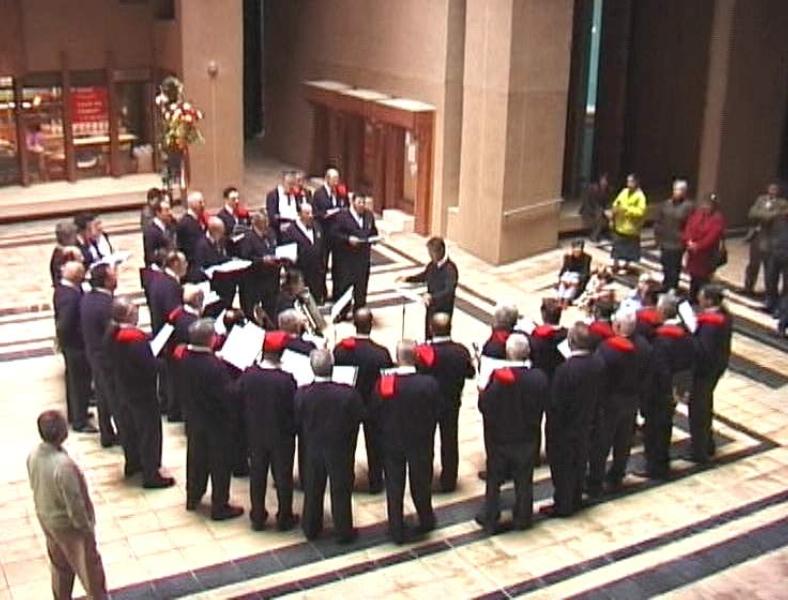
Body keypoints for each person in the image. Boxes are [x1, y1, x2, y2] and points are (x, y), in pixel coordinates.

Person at [27, 411, 107, 599]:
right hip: (69, 526)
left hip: (47, 518)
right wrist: (86, 527)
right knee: (89, 570)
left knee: (60, 566)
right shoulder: (64, 466)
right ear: (60, 431)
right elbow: (75, 502)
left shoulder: (34, 455)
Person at [370, 340, 441, 544]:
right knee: (421, 482)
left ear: (397, 358)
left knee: (394, 485)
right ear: (416, 357)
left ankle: (396, 528)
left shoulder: (385, 384)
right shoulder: (428, 383)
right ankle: (425, 518)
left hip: (392, 441)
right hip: (421, 441)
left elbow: (375, 411)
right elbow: (438, 410)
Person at [476, 334, 548, 532]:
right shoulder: (539, 377)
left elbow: (485, 405)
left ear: (508, 353)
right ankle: (524, 517)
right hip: (527, 437)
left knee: (494, 480)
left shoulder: (499, 379)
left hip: (501, 439)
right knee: (524, 480)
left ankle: (491, 517)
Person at [295, 349, 364, 543]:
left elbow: (297, 420)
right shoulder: (347, 393)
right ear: (333, 367)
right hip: (339, 449)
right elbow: (358, 416)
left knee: (312, 488)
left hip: (313, 448)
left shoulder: (302, 393)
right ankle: (343, 530)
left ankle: (311, 527)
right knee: (340, 490)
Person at [179, 319, 244, 520]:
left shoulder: (185, 357)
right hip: (216, 424)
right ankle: (220, 506)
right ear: (211, 339)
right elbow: (228, 395)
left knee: (196, 460)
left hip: (194, 418)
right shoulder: (215, 366)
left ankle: (193, 496)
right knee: (219, 464)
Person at [107, 298, 175, 489]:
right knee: (149, 433)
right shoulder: (136, 340)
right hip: (142, 393)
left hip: (123, 390)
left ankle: (133, 463)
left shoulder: (111, 334)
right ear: (128, 315)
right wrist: (164, 363)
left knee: (130, 429)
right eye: (133, 309)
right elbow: (149, 366)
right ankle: (151, 474)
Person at [236, 330, 299, 531]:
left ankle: (257, 515)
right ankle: (284, 516)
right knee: (283, 477)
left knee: (257, 474)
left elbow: (238, 397)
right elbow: (293, 408)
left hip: (255, 434)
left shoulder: (249, 375)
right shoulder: (286, 380)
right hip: (281, 436)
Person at [544, 324, 604, 517]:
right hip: (587, 423)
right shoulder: (598, 363)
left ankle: (563, 504)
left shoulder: (565, 370)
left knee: (563, 467)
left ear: (571, 342)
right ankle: (576, 497)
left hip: (565, 428)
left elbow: (556, 403)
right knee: (580, 462)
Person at [333, 308, 394, 493]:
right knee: (375, 445)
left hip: (347, 404)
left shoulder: (341, 350)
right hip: (373, 405)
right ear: (371, 325)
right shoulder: (381, 353)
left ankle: (345, 480)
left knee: (346, 445)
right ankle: (375, 481)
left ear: (354, 324)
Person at [414, 313, 475, 492]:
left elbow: (418, 373)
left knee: (426, 441)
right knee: (450, 440)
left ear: (431, 329)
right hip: (452, 402)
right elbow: (470, 373)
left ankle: (425, 478)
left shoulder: (425, 352)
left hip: (429, 404)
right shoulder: (461, 351)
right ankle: (449, 480)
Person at [587, 310, 643, 495]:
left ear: (617, 326)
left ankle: (595, 480)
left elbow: (598, 375)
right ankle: (617, 475)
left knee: (602, 443)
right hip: (632, 399)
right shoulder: (642, 347)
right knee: (624, 440)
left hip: (610, 402)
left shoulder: (606, 349)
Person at [641, 293, 695, 479]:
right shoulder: (684, 333)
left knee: (654, 429)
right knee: (665, 426)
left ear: (663, 311)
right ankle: (662, 461)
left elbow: (659, 370)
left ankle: (654, 466)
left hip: (659, 392)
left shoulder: (662, 338)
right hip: (676, 389)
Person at [688, 285, 732, 463]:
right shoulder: (723, 316)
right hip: (715, 368)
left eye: (701, 296)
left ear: (709, 300)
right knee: (705, 405)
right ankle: (707, 442)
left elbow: (703, 350)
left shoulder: (711, 324)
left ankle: (699, 450)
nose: (698, 299)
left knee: (698, 409)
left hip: (704, 372)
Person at [53, 261, 96, 433]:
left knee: (74, 382)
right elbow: (66, 324)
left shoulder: (63, 289)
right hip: (76, 346)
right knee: (80, 383)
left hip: (71, 346)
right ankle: (80, 420)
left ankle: (76, 413)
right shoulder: (70, 297)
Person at [80, 264, 118, 447]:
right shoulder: (107, 304)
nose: (116, 277)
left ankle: (107, 433)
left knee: (103, 396)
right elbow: (112, 334)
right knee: (114, 397)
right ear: (106, 280)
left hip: (93, 354)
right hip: (108, 358)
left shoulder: (87, 298)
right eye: (113, 275)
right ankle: (123, 433)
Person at [403, 237, 459, 339]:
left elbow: (449, 291)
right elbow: (425, 276)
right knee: (429, 334)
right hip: (431, 308)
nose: (430, 255)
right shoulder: (432, 265)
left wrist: (432, 297)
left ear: (440, 251)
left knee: (440, 337)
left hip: (443, 309)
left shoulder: (450, 269)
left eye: (431, 252)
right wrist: (408, 279)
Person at [332, 194, 379, 313]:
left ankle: (359, 311)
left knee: (361, 286)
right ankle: (342, 312)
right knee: (345, 287)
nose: (362, 205)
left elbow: (373, 231)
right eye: (359, 202)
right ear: (353, 202)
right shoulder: (342, 216)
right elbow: (335, 234)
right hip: (347, 259)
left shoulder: (369, 215)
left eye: (363, 202)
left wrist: (375, 238)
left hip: (363, 258)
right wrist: (348, 239)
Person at [744, 183, 788, 298]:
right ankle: (748, 287)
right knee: (753, 264)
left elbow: (778, 216)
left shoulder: (783, 203)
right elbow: (752, 213)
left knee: (769, 266)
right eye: (771, 188)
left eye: (775, 189)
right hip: (757, 234)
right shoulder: (761, 199)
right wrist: (767, 215)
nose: (772, 191)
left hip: (770, 237)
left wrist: (764, 215)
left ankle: (770, 293)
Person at [238, 210, 281, 323]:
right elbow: (246, 258)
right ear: (256, 223)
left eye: (267, 221)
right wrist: (262, 260)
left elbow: (275, 248)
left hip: (272, 279)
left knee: (272, 309)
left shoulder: (271, 233)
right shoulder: (247, 238)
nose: (267, 224)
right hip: (256, 281)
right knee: (255, 312)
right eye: (264, 222)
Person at [311, 167, 347, 299]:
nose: (336, 182)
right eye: (334, 179)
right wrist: (326, 214)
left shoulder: (340, 192)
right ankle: (321, 293)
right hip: (325, 233)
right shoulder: (319, 194)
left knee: (339, 265)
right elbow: (316, 214)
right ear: (327, 179)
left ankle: (337, 292)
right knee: (322, 265)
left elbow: (345, 207)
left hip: (337, 234)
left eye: (337, 179)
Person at [683, 193, 726, 303]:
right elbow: (689, 228)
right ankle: (692, 297)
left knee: (703, 279)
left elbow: (713, 236)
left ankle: (704, 299)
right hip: (694, 255)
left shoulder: (718, 219)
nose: (706, 206)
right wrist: (688, 241)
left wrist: (698, 246)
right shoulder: (697, 214)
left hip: (706, 255)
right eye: (705, 204)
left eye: (709, 204)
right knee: (693, 277)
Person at [281, 202, 327, 305]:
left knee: (316, 301)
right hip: (300, 273)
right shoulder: (290, 231)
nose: (311, 216)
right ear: (299, 214)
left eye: (311, 213)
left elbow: (322, 247)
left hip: (316, 272)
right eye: (307, 213)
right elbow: (287, 255)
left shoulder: (317, 226)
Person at [655, 179, 694, 292]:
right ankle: (666, 284)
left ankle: (673, 287)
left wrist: (686, 239)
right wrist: (657, 237)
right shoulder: (666, 204)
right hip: (665, 239)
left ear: (685, 192)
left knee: (674, 266)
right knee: (665, 263)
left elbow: (691, 225)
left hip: (678, 242)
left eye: (680, 190)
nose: (677, 192)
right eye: (675, 189)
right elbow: (659, 220)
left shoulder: (689, 206)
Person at [192, 217, 236, 315]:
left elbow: (220, 257)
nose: (222, 235)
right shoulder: (201, 245)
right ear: (214, 231)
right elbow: (199, 267)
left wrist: (231, 260)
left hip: (221, 278)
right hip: (209, 282)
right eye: (221, 232)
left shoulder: (219, 241)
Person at [609, 173, 647, 272]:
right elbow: (616, 203)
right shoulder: (624, 191)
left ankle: (626, 265)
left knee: (629, 250)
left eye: (631, 181)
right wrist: (612, 217)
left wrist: (626, 209)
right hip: (619, 225)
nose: (628, 184)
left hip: (632, 228)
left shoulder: (640, 196)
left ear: (636, 182)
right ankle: (616, 264)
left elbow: (641, 212)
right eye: (628, 181)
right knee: (617, 247)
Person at [148, 250, 187, 334]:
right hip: (169, 335)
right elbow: (174, 314)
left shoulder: (161, 279)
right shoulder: (170, 285)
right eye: (184, 262)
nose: (186, 265)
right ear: (176, 263)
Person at [556, 240, 592, 307]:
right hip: (569, 274)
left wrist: (578, 281)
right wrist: (561, 278)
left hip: (578, 275)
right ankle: (559, 299)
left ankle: (566, 301)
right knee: (564, 282)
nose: (576, 253)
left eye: (578, 251)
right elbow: (564, 268)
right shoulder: (567, 257)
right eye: (575, 251)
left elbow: (585, 271)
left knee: (573, 284)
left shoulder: (587, 258)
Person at [142, 196, 175, 267]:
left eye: (170, 209)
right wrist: (167, 255)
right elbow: (150, 255)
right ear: (158, 213)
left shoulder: (170, 226)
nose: (170, 213)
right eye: (166, 210)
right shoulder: (151, 231)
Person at [265, 171, 298, 241]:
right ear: (283, 183)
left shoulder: (294, 195)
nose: (292, 187)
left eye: (293, 184)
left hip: (293, 229)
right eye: (290, 184)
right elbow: (272, 216)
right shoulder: (273, 195)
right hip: (278, 230)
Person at [580, 173, 612, 242]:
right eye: (603, 180)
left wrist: (608, 209)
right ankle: (594, 235)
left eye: (606, 180)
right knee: (599, 214)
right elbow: (588, 202)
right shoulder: (592, 188)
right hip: (589, 208)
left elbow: (607, 202)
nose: (605, 182)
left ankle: (608, 233)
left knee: (611, 213)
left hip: (600, 208)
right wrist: (602, 210)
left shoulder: (608, 190)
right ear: (599, 180)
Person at [176, 190, 207, 265]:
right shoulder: (186, 223)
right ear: (192, 204)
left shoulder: (199, 219)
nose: (203, 205)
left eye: (203, 202)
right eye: (200, 203)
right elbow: (191, 247)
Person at [50, 221, 79, 286]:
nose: (76, 239)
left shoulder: (70, 249)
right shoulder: (60, 255)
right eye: (74, 236)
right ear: (65, 238)